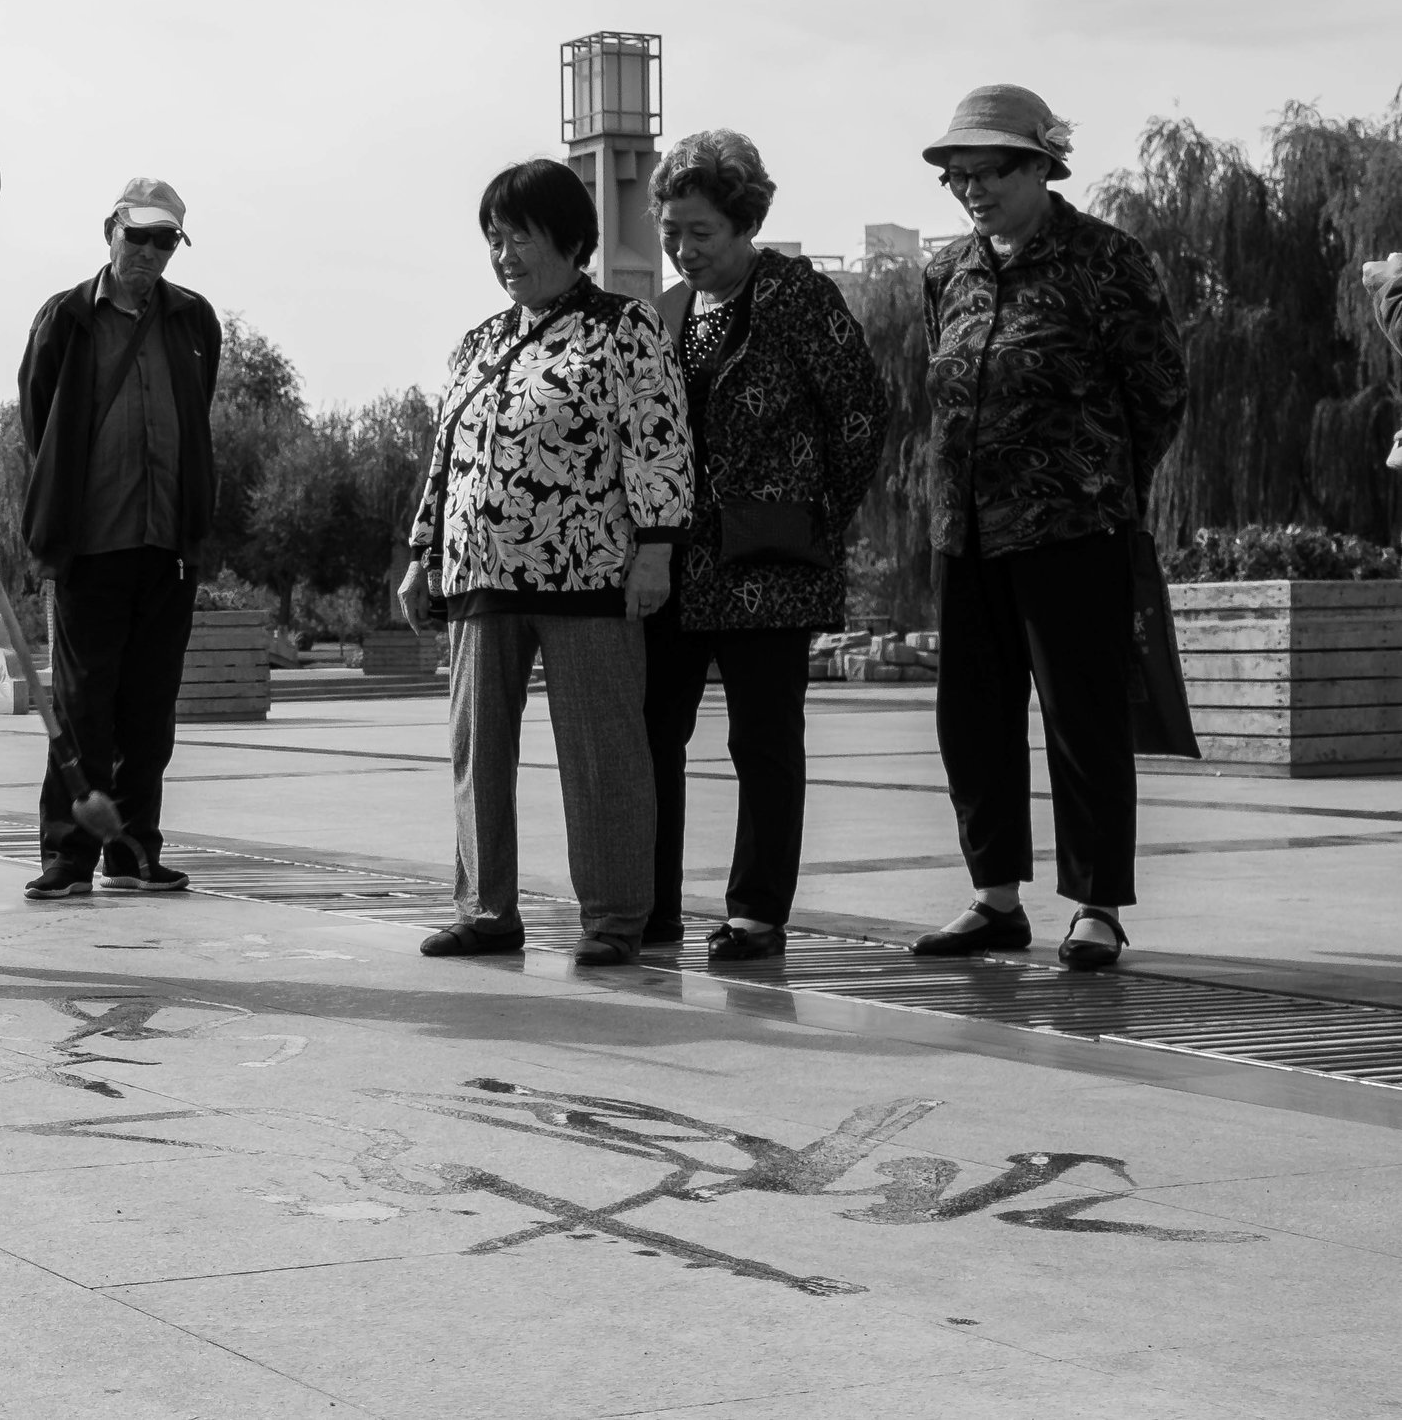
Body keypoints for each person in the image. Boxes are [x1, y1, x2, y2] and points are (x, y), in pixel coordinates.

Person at [914, 85, 1185, 970]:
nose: (972, 190)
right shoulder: (947, 270)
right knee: (973, 718)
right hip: (966, 532)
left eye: (990, 171)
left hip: (1075, 526)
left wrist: (1100, 483)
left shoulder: (1107, 259)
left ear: (1042, 165)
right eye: (958, 176)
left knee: (1083, 720)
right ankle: (995, 899)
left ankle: (1097, 906)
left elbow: (1158, 391)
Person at [398, 158, 693, 967]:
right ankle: (486, 909)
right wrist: (423, 551)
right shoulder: (479, 342)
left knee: (603, 755)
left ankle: (613, 919)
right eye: (494, 239)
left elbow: (659, 446)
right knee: (476, 752)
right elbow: (446, 456)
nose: (505, 254)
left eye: (519, 236)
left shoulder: (625, 328)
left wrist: (657, 550)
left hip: (587, 574)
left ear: (570, 238)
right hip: (477, 575)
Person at [641, 131, 887, 961]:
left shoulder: (798, 295)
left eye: (701, 231)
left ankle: (756, 912)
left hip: (769, 566)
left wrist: (813, 514)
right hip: (674, 560)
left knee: (763, 738)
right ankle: (650, 903)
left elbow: (860, 413)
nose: (683, 248)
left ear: (746, 219)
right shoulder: (666, 314)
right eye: (671, 230)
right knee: (653, 729)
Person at [16, 177, 221, 899]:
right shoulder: (65, 317)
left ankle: (134, 853)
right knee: (81, 707)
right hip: (90, 545)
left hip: (167, 547)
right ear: (110, 229)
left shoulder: (194, 320)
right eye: (140, 236)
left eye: (166, 240)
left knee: (149, 710)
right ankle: (68, 855)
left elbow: (196, 418)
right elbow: (39, 424)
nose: (151, 252)